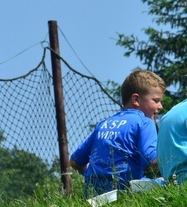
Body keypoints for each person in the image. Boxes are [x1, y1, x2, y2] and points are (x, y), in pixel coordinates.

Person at [70, 70, 166, 198]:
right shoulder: (144, 121)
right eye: (156, 100)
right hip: (125, 192)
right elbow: (151, 161)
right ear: (136, 99)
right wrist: (178, 157)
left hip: (94, 194)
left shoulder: (103, 124)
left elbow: (75, 162)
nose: (160, 106)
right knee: (168, 181)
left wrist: (92, 173)